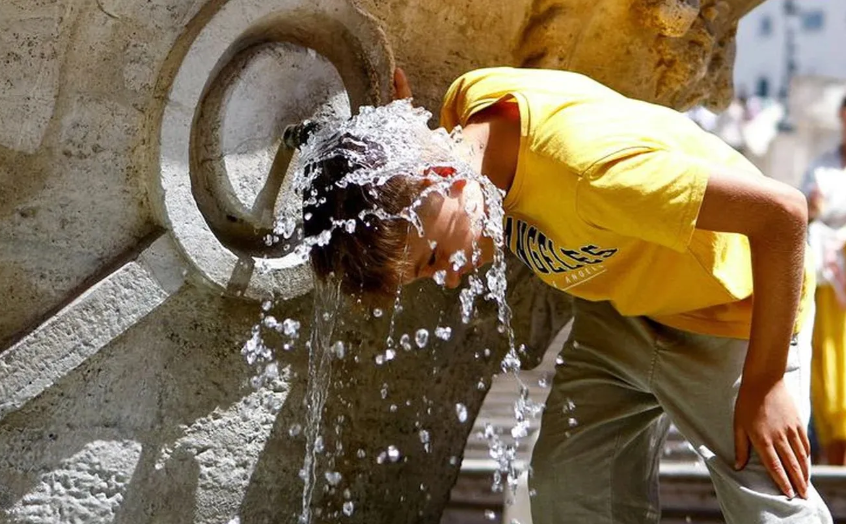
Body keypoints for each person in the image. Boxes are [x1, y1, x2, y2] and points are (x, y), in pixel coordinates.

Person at [297, 67, 832, 523]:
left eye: (434, 260)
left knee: (772, 500)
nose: (450, 279)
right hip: (617, 318)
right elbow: (402, 163)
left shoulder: (593, 176)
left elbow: (783, 214)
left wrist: (764, 383)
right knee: (571, 489)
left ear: (443, 177)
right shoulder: (465, 117)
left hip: (731, 318)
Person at [800, 95, 846, 466]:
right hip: (830, 288)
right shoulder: (822, 169)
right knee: (831, 385)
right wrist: (811, 210)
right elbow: (803, 215)